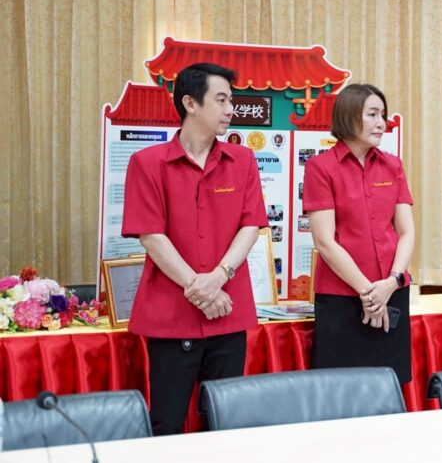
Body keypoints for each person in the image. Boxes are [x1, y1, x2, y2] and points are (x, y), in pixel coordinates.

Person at [122, 63, 267, 435]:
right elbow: (151, 235)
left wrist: (218, 278)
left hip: (228, 312)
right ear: (190, 103)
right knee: (166, 422)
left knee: (224, 423)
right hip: (171, 317)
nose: (230, 109)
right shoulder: (147, 163)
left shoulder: (243, 161)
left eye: (231, 101)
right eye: (221, 100)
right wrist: (199, 287)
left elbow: (251, 226)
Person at [303, 84, 415, 383]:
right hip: (342, 298)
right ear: (349, 116)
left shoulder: (393, 166)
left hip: (392, 293)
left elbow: (406, 232)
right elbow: (325, 242)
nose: (381, 123)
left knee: (389, 384)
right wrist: (369, 293)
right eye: (372, 114)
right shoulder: (320, 167)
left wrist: (391, 282)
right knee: (340, 388)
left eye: (383, 115)